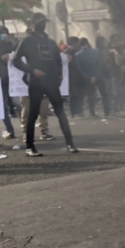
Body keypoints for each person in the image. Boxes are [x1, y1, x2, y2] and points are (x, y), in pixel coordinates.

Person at [13, 13, 77, 156]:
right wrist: (32, 70)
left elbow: (58, 59)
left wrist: (60, 74)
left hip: (52, 82)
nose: (43, 25)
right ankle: (30, 146)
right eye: (40, 22)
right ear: (33, 23)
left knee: (60, 112)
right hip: (36, 82)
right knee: (33, 113)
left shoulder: (50, 42)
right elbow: (16, 61)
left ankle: (70, 143)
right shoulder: (27, 40)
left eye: (44, 22)